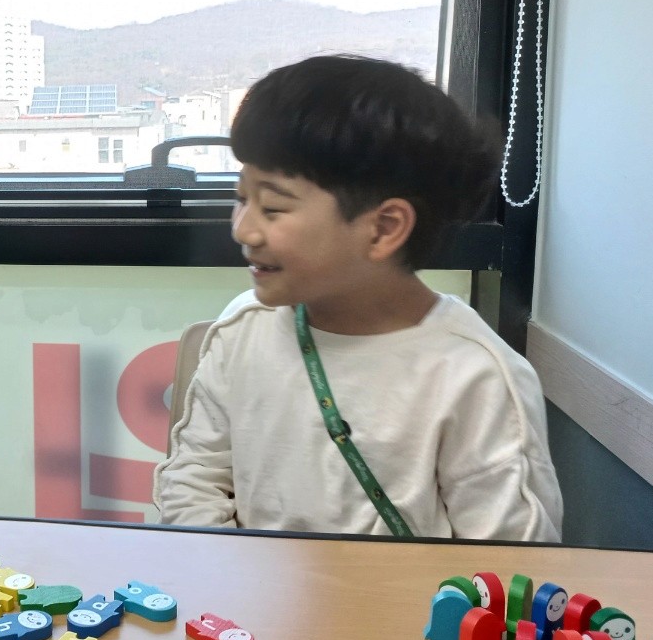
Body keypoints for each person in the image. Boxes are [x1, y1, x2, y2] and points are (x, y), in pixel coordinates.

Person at [154, 55, 562, 540]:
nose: (244, 229)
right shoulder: (245, 328)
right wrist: (228, 579)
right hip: (250, 605)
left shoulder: (474, 376)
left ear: (383, 228)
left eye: (273, 207)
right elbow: (194, 480)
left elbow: (505, 566)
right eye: (242, 198)